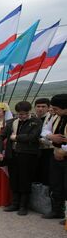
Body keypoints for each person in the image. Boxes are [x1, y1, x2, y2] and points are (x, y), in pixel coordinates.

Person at [0, 101, 43, 216]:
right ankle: (14, 203)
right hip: (13, 155)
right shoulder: (11, 123)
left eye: (25, 114)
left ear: (29, 112)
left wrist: (16, 137)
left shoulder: (36, 122)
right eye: (20, 114)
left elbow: (32, 137)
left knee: (25, 180)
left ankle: (23, 205)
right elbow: (0, 137)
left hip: (28, 155)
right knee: (14, 179)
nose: (22, 116)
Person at [41, 94, 67, 222]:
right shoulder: (56, 117)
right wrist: (52, 137)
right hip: (55, 155)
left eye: (56, 109)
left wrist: (63, 151)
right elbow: (45, 131)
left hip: (64, 155)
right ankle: (57, 210)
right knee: (56, 184)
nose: (54, 111)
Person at [35, 98, 56, 186]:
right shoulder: (33, 118)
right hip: (35, 151)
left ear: (48, 108)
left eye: (43, 106)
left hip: (48, 150)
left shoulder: (53, 118)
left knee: (47, 173)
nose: (40, 109)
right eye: (38, 106)